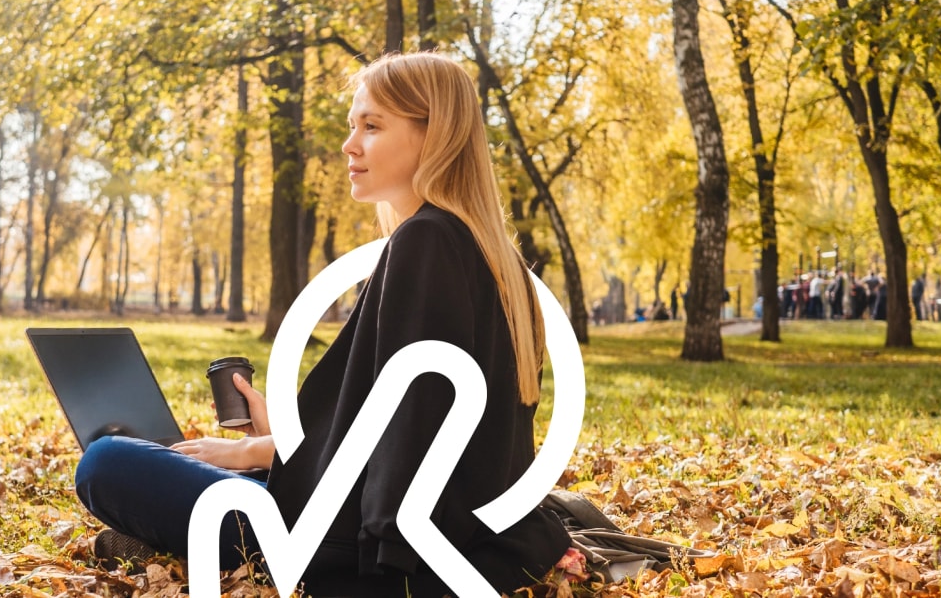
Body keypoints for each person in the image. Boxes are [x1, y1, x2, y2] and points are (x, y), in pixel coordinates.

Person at [73, 53, 578, 596]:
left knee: (107, 459)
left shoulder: (425, 243)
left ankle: (178, 546)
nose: (350, 144)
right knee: (166, 466)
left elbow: (402, 443)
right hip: (452, 528)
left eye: (372, 126)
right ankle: (167, 543)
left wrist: (254, 452)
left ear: (436, 135)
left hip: (351, 542)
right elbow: (404, 420)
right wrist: (285, 438)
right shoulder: (493, 256)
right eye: (351, 126)